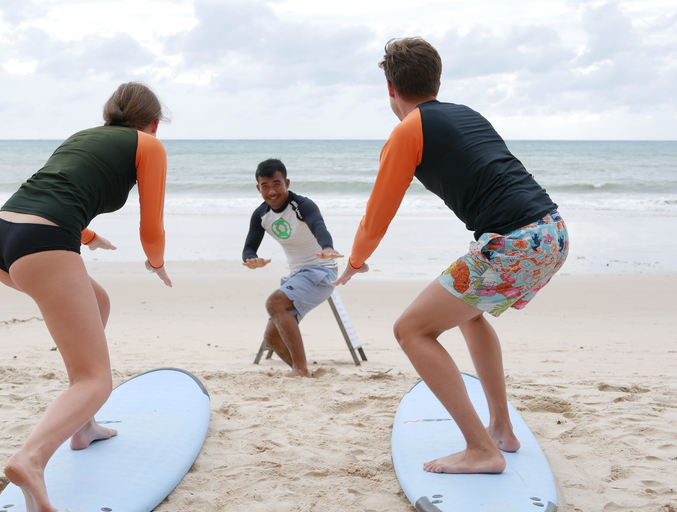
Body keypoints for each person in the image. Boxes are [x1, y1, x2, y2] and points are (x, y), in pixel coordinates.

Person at [333, 37, 569, 474]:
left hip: (513, 241)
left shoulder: (408, 130)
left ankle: (483, 449)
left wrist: (353, 261)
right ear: (438, 81)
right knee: (468, 312)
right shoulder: (467, 114)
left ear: (390, 88)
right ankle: (502, 428)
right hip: (551, 232)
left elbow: (378, 211)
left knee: (411, 330)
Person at [0, 82, 172, 512]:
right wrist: (156, 262)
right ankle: (30, 459)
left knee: (98, 301)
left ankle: (84, 426)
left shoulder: (84, 136)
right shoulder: (149, 145)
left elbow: (54, 190)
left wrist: (87, 235)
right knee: (95, 379)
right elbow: (152, 226)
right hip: (42, 244)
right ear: (155, 123)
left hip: (2, 239)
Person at [243, 158, 343, 378]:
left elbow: (318, 225)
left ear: (286, 182)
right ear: (258, 187)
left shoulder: (302, 206)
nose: (271, 191)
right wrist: (251, 260)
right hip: (296, 276)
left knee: (274, 302)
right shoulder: (261, 215)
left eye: (277, 184)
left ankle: (300, 368)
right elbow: (249, 247)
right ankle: (304, 375)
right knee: (272, 339)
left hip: (321, 271)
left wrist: (327, 247)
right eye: (265, 186)